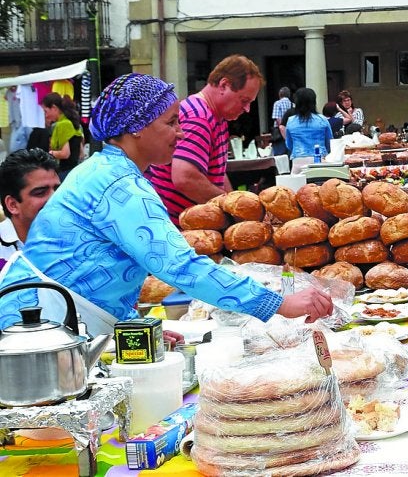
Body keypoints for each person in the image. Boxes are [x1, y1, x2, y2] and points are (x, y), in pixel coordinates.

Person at [0, 73, 334, 335]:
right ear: (136, 128)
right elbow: (179, 265)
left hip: (59, 315)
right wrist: (279, 303)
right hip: (37, 320)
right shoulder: (118, 183)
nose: (181, 133)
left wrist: (131, 325)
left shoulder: (110, 171)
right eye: (171, 122)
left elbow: (96, 269)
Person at [147, 55, 265, 228]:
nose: (247, 109)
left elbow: (216, 173)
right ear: (224, 85)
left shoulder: (216, 117)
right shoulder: (198, 117)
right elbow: (185, 177)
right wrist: (231, 209)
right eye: (244, 101)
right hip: (179, 229)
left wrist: (235, 206)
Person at [0, 148, 60, 270]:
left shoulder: (75, 239)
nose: (55, 199)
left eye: (58, 190)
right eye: (40, 192)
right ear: (12, 205)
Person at [41, 93, 84, 181]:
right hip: (75, 172)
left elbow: (65, 154)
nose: (46, 115)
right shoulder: (73, 123)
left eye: (46, 111)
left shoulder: (63, 125)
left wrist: (49, 153)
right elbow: (81, 154)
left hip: (65, 172)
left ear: (54, 108)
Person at [285, 87, 332, 160]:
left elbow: (289, 144)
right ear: (314, 102)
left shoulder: (291, 121)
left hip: (298, 158)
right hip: (319, 158)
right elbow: (329, 141)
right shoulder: (322, 119)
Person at [270, 86, 292, 155]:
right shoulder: (293, 105)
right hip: (290, 131)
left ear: (280, 94)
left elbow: (277, 119)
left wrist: (282, 130)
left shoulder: (277, 103)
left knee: (279, 154)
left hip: (279, 133)